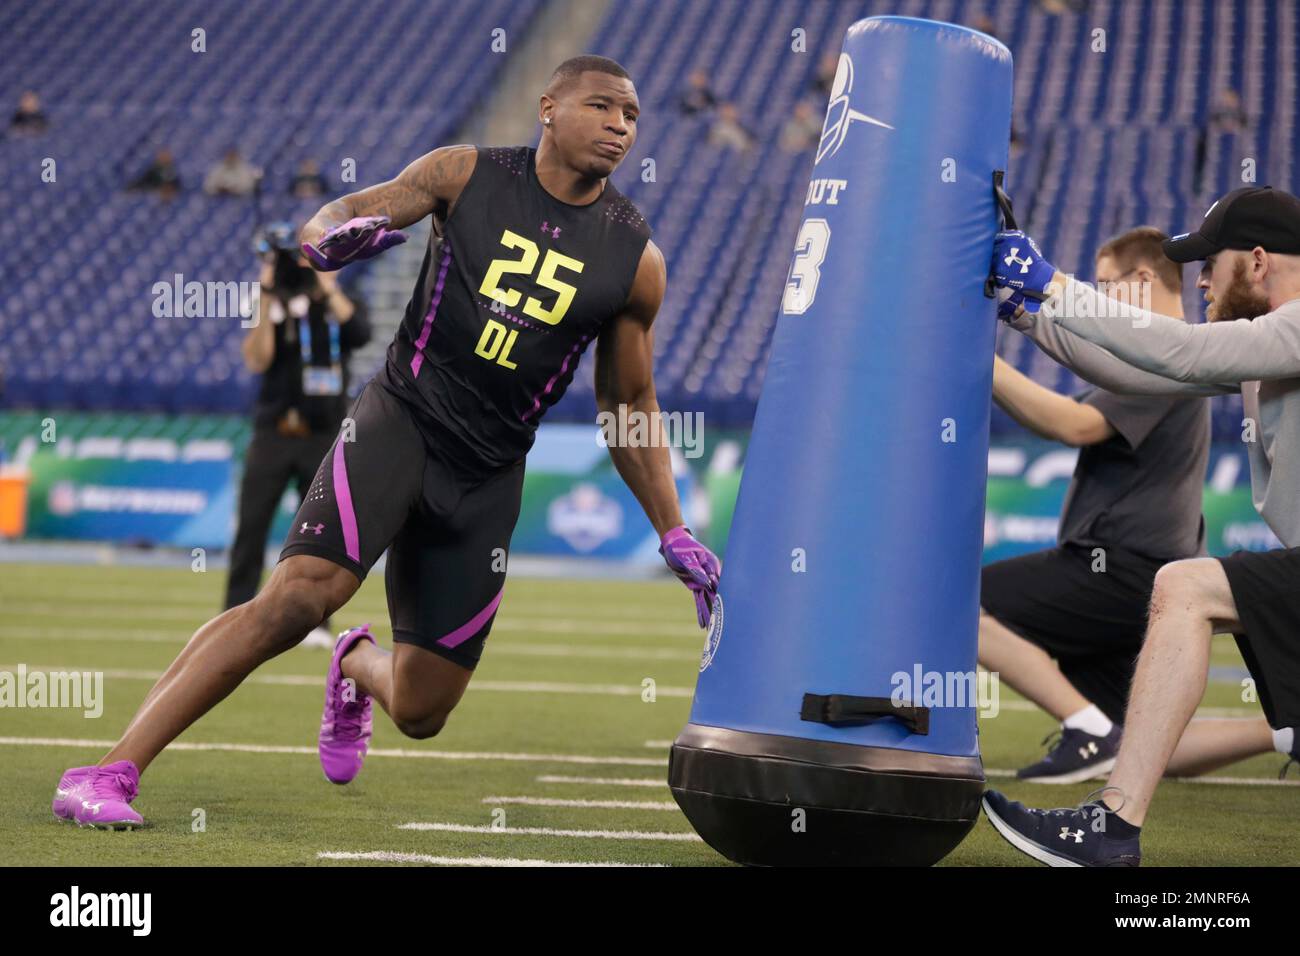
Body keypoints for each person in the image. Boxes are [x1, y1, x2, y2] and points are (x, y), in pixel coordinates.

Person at [51, 55, 720, 829]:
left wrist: (671, 525)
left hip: (490, 472)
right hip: (401, 419)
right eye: (602, 107)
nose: (620, 126)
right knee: (300, 598)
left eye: (632, 116)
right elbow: (336, 213)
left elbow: (628, 399)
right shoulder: (463, 172)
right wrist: (326, 242)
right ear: (548, 107)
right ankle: (106, 772)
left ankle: (353, 663)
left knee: (423, 708)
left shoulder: (636, 257)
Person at [984, 186, 1300, 865]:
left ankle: (1113, 827)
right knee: (1176, 622)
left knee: (1185, 588)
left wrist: (1051, 285)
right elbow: (1139, 371)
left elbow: (1179, 352)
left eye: (1207, 264)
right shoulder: (1263, 349)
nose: (1200, 281)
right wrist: (1027, 314)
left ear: (1256, 261)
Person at [982, 228, 1215, 784]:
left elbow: (1073, 425)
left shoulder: (1164, 350)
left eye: (1104, 285)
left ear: (1141, 281)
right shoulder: (1154, 355)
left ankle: (1085, 729)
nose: (1095, 297)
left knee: (959, 605)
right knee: (1142, 740)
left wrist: (980, 362)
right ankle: (1284, 733)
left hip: (1121, 565)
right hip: (1150, 570)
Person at [226, 224, 371, 647]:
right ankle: (232, 615)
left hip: (323, 433)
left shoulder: (339, 303)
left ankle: (316, 624)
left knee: (320, 534)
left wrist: (326, 287)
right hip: (274, 431)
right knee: (251, 527)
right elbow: (257, 359)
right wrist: (267, 294)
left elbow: (359, 333)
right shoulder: (274, 302)